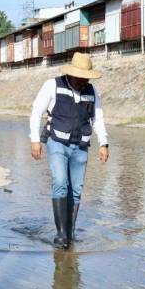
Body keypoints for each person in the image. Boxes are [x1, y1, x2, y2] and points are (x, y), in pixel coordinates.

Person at [29, 52, 108, 249]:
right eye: (80, 77)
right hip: (57, 143)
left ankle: (70, 233)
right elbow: (36, 111)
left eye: (86, 77)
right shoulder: (53, 85)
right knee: (60, 183)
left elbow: (98, 118)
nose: (83, 81)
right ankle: (61, 233)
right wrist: (35, 140)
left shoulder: (91, 91)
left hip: (81, 146)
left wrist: (103, 143)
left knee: (76, 190)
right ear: (71, 74)